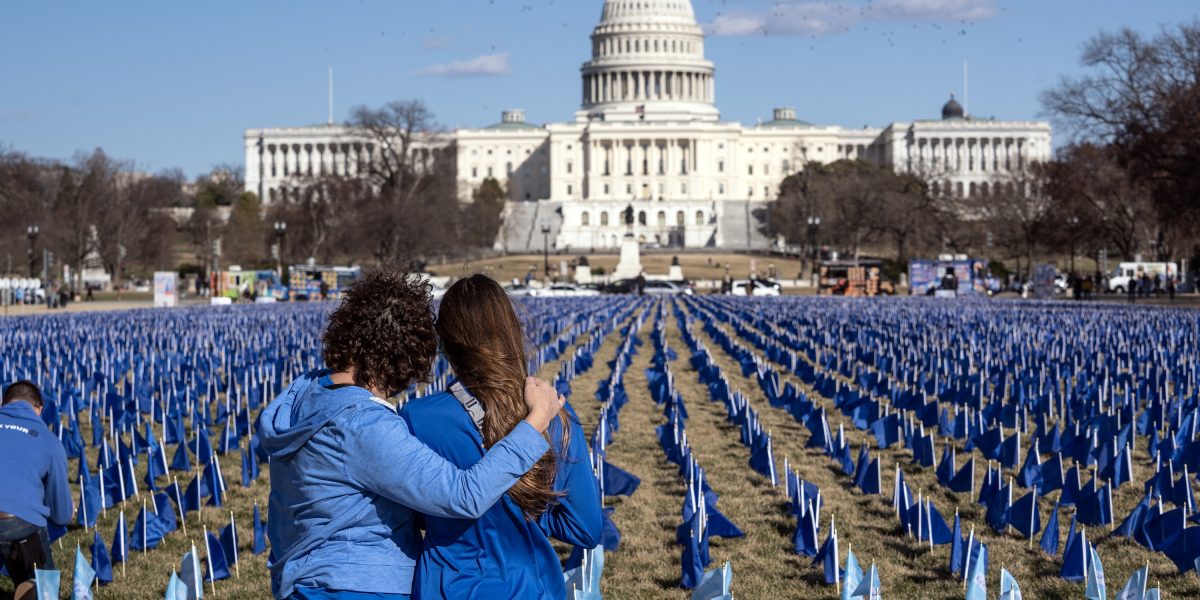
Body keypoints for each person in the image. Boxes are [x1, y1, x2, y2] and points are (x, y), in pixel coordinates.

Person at [258, 269, 565, 600]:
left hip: (301, 580)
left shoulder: (306, 395)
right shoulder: (363, 425)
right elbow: (463, 496)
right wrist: (535, 423)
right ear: (402, 355)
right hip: (357, 586)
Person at [401, 275, 600, 599]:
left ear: (446, 342)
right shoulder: (554, 415)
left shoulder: (416, 417)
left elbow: (410, 516)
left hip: (445, 586)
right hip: (528, 586)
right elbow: (586, 529)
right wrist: (526, 512)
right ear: (511, 332)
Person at [0, 381, 73, 600]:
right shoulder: (50, 441)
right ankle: (36, 585)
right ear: (39, 409)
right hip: (18, 522)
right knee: (47, 588)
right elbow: (61, 515)